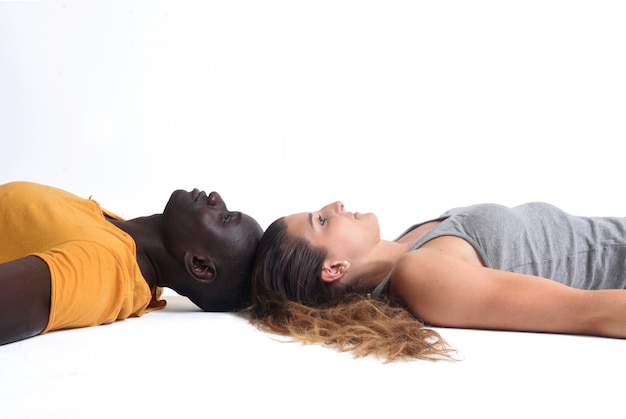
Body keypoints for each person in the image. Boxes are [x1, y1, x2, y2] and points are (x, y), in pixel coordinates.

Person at [247, 200, 626, 362]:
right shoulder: (421, 275)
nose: (336, 205)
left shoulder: (409, 244)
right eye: (322, 221)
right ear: (334, 269)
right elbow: (589, 313)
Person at [0, 181, 263, 346]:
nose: (216, 197)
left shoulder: (105, 267)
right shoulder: (124, 238)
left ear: (199, 265)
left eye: (225, 218)